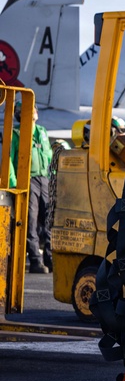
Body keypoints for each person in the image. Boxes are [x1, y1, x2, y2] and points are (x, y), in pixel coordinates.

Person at [12, 102, 53, 273]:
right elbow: (9, 158)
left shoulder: (42, 131)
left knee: (49, 219)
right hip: (27, 179)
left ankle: (50, 259)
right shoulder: (16, 134)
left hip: (45, 179)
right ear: (21, 114)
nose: (34, 112)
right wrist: (14, 183)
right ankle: (36, 260)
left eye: (34, 109)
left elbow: (49, 154)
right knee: (31, 221)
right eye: (30, 109)